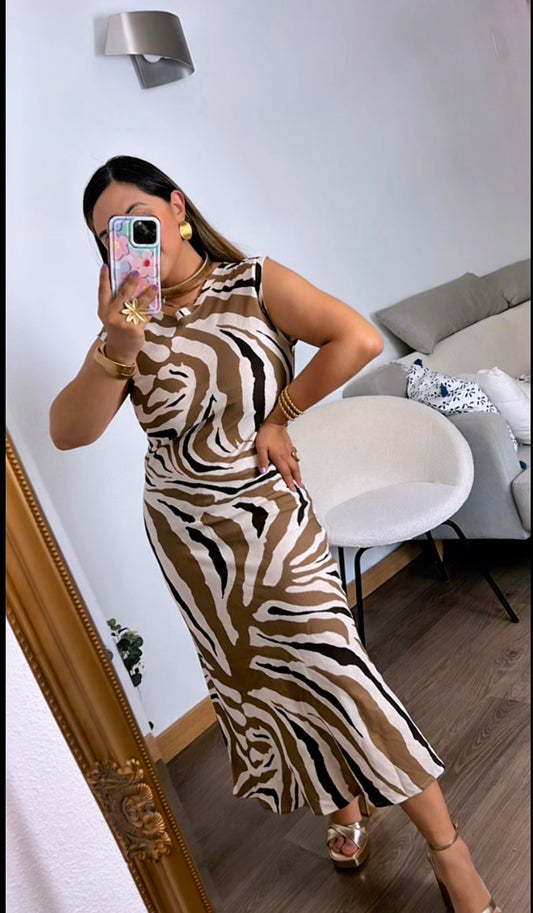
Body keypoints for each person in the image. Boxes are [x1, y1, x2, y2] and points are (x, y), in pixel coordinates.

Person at [49, 155, 501, 913]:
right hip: (189, 539)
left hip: (269, 517)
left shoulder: (253, 282)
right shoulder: (127, 323)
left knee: (338, 672)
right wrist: (120, 338)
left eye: (136, 219)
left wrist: (281, 415)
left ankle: (448, 850)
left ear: (176, 206)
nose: (126, 241)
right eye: (108, 236)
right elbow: (70, 432)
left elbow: (356, 339)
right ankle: (343, 805)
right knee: (265, 686)